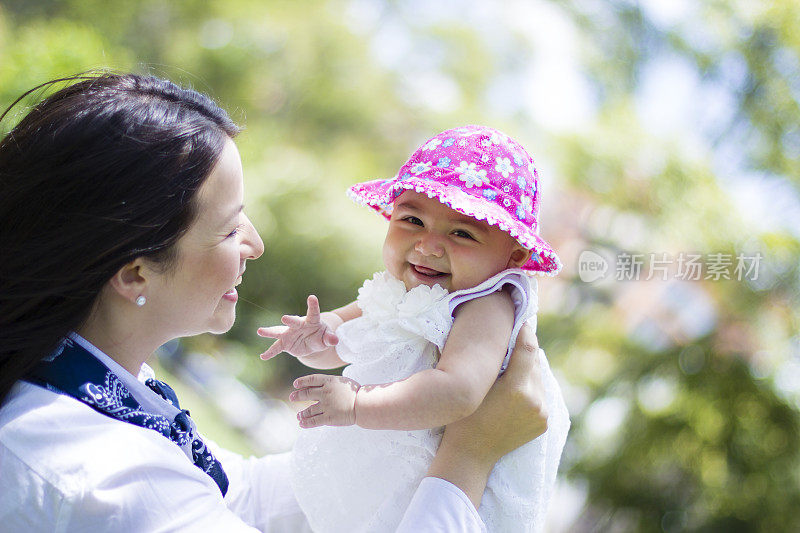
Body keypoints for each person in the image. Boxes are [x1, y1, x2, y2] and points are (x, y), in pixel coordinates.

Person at [0, 74, 549, 532]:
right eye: (229, 225)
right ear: (135, 272)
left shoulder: (87, 386)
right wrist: (469, 457)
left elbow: (238, 494)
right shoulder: (110, 479)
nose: (256, 244)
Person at [258, 125, 570, 532]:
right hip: (388, 457)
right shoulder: (398, 288)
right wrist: (314, 337)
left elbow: (458, 389)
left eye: (461, 232)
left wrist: (357, 404)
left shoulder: (488, 302)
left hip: (445, 477)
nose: (428, 245)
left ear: (514, 253)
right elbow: (340, 345)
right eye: (412, 220)